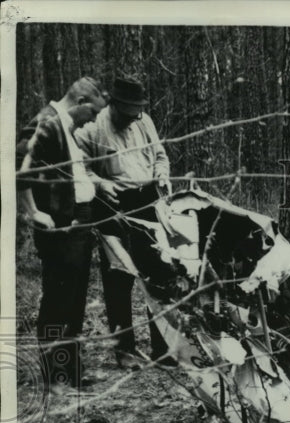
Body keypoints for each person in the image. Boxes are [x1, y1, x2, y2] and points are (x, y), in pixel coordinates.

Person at [16, 77, 108, 393]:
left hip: (78, 224)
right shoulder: (46, 122)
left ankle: (71, 372)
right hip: (59, 227)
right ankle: (55, 378)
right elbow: (18, 166)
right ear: (81, 101)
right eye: (93, 112)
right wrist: (32, 212)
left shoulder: (65, 126)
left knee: (75, 302)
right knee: (57, 301)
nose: (94, 119)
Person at [75, 77, 174, 369]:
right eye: (127, 112)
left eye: (137, 112)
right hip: (112, 205)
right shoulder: (93, 127)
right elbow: (78, 169)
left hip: (147, 202)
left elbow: (160, 156)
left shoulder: (144, 122)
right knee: (119, 279)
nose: (132, 118)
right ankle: (125, 350)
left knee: (158, 274)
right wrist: (101, 184)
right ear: (113, 104)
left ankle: (163, 348)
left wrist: (162, 174)